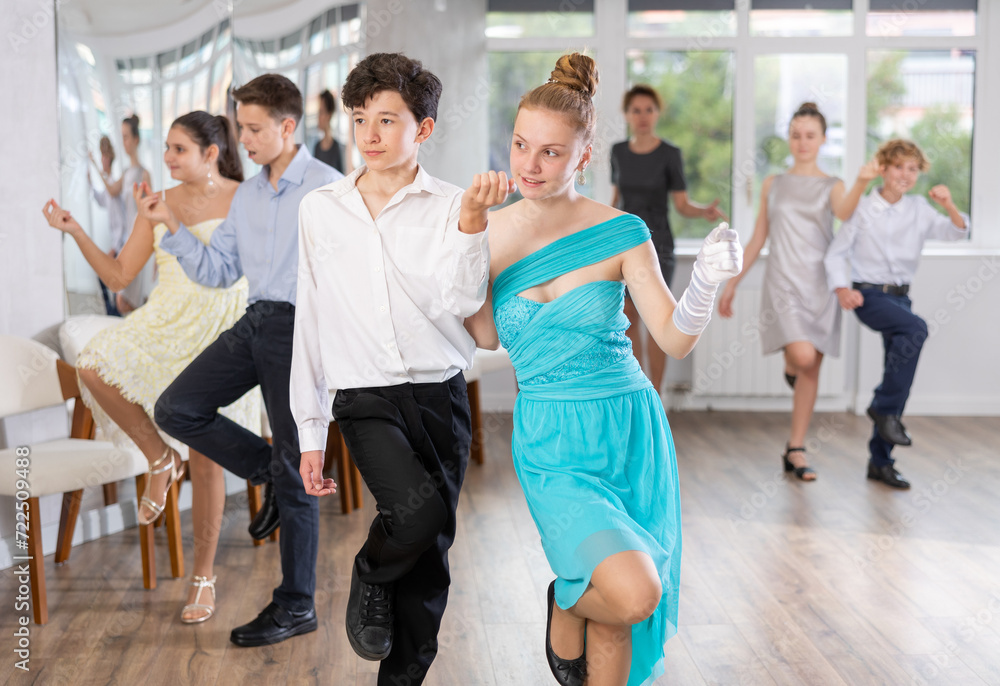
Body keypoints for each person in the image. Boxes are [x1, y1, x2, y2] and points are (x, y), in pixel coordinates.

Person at [464, 53, 742, 686]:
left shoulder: (622, 231)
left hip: (628, 426)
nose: (530, 166)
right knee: (632, 592)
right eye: (520, 146)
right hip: (552, 441)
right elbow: (483, 335)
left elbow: (672, 340)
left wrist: (703, 283)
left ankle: (572, 601)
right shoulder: (491, 232)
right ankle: (564, 600)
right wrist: (467, 234)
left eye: (552, 153)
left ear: (584, 157)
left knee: (616, 616)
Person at [292, 52, 504, 685]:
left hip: (441, 394)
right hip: (363, 398)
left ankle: (402, 678)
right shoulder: (320, 209)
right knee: (417, 519)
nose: (370, 136)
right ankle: (369, 571)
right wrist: (310, 431)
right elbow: (311, 319)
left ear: (425, 128)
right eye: (361, 120)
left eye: (388, 120)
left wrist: (471, 226)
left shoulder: (452, 206)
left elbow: (465, 304)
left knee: (432, 555)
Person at [42, 111, 259, 623]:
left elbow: (252, 270)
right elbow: (120, 274)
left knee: (207, 459)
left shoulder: (248, 199)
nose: (166, 158)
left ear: (210, 153)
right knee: (93, 364)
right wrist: (73, 230)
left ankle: (202, 580)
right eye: (166, 147)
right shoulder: (156, 200)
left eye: (178, 149)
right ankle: (160, 457)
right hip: (165, 322)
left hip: (221, 331)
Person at [152, 74, 342, 646]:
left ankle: (297, 604)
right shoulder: (250, 195)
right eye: (242, 127)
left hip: (300, 331)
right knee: (177, 407)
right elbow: (218, 272)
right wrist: (171, 226)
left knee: (298, 470)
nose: (246, 139)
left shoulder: (330, 190)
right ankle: (268, 474)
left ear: (288, 126)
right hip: (255, 321)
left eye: (255, 128)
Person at [718, 102, 878, 481]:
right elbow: (759, 236)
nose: (802, 142)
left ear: (822, 139)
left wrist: (861, 182)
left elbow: (845, 213)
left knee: (812, 368)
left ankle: (796, 448)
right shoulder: (774, 183)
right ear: (789, 139)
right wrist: (734, 281)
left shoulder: (832, 185)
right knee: (803, 357)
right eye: (796, 134)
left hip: (820, 285)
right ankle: (790, 363)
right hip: (783, 283)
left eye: (810, 135)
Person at [824, 139, 968, 489]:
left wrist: (948, 204)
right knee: (917, 331)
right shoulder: (862, 209)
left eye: (912, 169)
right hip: (869, 296)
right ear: (884, 169)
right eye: (899, 166)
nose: (906, 174)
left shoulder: (919, 209)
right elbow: (835, 253)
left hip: (901, 299)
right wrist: (843, 289)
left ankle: (880, 460)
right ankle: (883, 408)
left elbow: (957, 232)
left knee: (898, 369)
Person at [611, 84, 727, 393]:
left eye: (649, 109)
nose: (643, 116)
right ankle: (636, 390)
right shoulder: (618, 152)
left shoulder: (669, 154)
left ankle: (657, 395)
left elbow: (681, 204)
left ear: (657, 113)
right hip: (623, 244)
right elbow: (615, 200)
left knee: (658, 321)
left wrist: (704, 212)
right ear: (627, 115)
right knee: (628, 319)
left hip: (658, 245)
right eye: (636, 110)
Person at [89, 114, 155, 314]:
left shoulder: (144, 174)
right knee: (123, 299)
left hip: (138, 242)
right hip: (126, 241)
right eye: (122, 137)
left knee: (127, 300)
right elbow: (110, 191)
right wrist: (97, 168)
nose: (124, 142)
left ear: (136, 139)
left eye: (126, 137)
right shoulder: (126, 173)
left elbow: (151, 213)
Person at [88, 135, 125, 316]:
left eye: (103, 156)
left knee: (112, 279)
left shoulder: (115, 186)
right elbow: (101, 200)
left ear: (108, 158)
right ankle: (113, 313)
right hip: (117, 244)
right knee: (110, 279)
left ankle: (114, 314)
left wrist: (115, 247)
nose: (102, 160)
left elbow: (122, 223)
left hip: (121, 244)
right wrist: (89, 183)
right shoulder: (109, 186)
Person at [313, 89, 345, 173]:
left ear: (329, 115)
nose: (318, 117)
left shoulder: (338, 149)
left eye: (321, 112)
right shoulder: (316, 148)